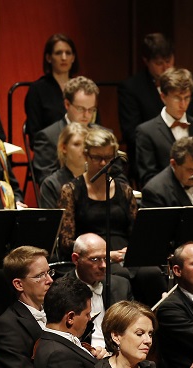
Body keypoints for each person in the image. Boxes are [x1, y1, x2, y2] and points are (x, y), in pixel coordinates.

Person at [118, 32, 193, 159]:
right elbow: (131, 133)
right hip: (153, 156)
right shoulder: (131, 88)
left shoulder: (190, 81)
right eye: (159, 63)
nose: (166, 67)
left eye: (168, 60)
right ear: (146, 61)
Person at [134, 68, 193, 187]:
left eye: (187, 98)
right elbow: (148, 177)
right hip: (168, 200)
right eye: (177, 98)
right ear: (163, 97)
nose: (183, 104)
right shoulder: (146, 132)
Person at [57, 128, 136, 261]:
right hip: (92, 260)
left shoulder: (124, 190)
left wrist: (130, 249)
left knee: (152, 273)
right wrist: (105, 255)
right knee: (120, 277)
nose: (103, 163)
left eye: (108, 158)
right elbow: (65, 242)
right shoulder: (72, 190)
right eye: (97, 158)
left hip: (124, 257)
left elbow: (136, 233)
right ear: (85, 155)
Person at [33, 276, 99, 368]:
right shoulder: (59, 356)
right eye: (87, 314)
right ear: (70, 317)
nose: (89, 319)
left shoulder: (56, 344)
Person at [62, 233, 133, 352]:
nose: (103, 266)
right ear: (76, 259)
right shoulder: (62, 290)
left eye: (106, 258)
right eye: (95, 259)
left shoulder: (121, 285)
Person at [32, 76, 101, 186]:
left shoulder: (104, 135)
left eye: (91, 109)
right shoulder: (48, 137)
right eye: (80, 109)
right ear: (67, 104)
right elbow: (46, 181)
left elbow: (119, 176)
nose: (86, 115)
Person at [24, 34, 81, 141]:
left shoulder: (82, 88)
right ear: (49, 58)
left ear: (73, 58)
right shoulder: (37, 89)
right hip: (50, 151)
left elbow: (95, 125)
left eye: (68, 53)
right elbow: (35, 134)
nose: (64, 58)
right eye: (58, 53)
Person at [38, 122, 87, 209]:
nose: (83, 149)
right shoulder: (51, 184)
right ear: (63, 148)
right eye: (77, 144)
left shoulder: (98, 179)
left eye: (86, 144)